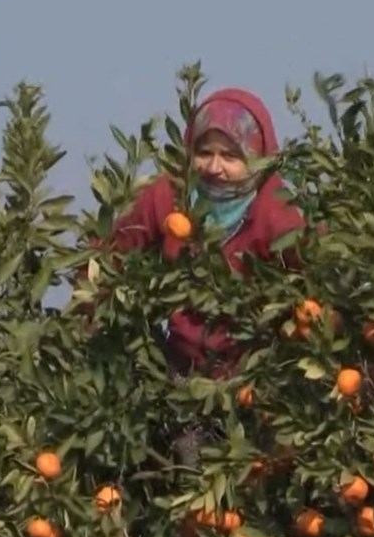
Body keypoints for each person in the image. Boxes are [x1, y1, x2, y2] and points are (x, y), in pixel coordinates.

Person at [82, 87, 311, 380]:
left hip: (255, 381)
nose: (215, 168)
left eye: (231, 156)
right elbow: (111, 252)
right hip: (179, 373)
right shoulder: (170, 196)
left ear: (257, 158)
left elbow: (316, 275)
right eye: (204, 153)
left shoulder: (276, 214)